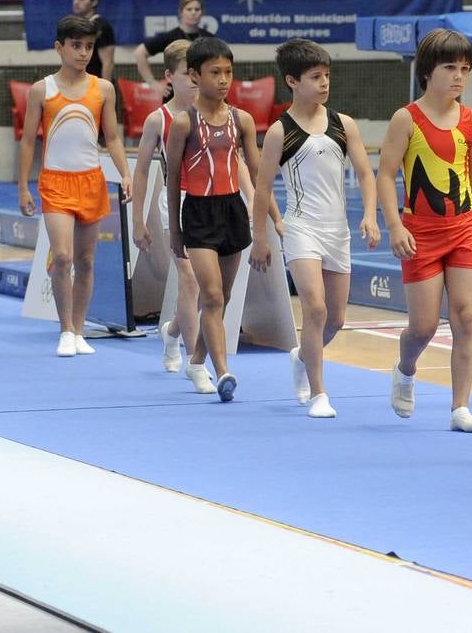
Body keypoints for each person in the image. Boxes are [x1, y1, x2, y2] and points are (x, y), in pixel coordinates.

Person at [250, 39, 381, 419]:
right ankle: (320, 393)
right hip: (301, 227)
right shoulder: (280, 132)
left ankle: (302, 356)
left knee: (336, 318)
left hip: (336, 230)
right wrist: (261, 237)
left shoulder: (344, 125)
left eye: (327, 76)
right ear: (292, 81)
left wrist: (370, 215)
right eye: (315, 77)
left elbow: (363, 173)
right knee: (316, 308)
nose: (324, 83)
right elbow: (261, 189)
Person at [378, 28, 472, 433]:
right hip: (420, 232)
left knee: (466, 316)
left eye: (465, 69)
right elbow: (387, 173)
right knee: (423, 326)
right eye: (450, 68)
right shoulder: (406, 119)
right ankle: (406, 368)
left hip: (461, 230)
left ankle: (460, 406)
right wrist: (394, 225)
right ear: (428, 71)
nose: (459, 76)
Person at [18, 16, 132, 357]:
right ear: (59, 48)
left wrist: (124, 174)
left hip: (91, 181)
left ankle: (79, 330)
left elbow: (111, 137)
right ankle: (65, 329)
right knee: (63, 256)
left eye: (89, 47)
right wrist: (24, 187)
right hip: (55, 182)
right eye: (76, 46)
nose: (83, 53)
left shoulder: (104, 89)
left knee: (85, 260)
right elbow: (27, 142)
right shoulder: (43, 90)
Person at [165, 36, 266, 403]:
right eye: (214, 72)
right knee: (210, 294)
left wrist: (272, 219)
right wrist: (175, 232)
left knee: (220, 297)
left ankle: (196, 361)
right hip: (198, 212)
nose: (224, 80)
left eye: (228, 72)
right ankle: (223, 370)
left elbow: (257, 173)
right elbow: (172, 178)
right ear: (194, 75)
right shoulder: (182, 123)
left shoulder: (242, 120)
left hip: (232, 210)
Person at [130, 38, 200, 374]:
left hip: (211, 203)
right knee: (190, 280)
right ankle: (195, 362)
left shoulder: (216, 113)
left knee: (204, 286)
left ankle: (172, 331)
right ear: (169, 76)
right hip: (175, 203)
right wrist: (137, 221)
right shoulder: (158, 120)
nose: (195, 80)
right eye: (188, 73)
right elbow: (141, 170)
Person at [135, 0, 212, 97]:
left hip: (203, 92)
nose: (193, 12)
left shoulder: (209, 38)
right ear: (181, 12)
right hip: (176, 93)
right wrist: (152, 83)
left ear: (202, 12)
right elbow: (139, 52)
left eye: (197, 9)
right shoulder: (170, 37)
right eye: (189, 9)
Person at [70, 0, 116, 82]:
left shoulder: (101, 27)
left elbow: (108, 63)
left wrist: (105, 93)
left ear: (94, 1)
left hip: (96, 87)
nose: (76, 2)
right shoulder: (75, 26)